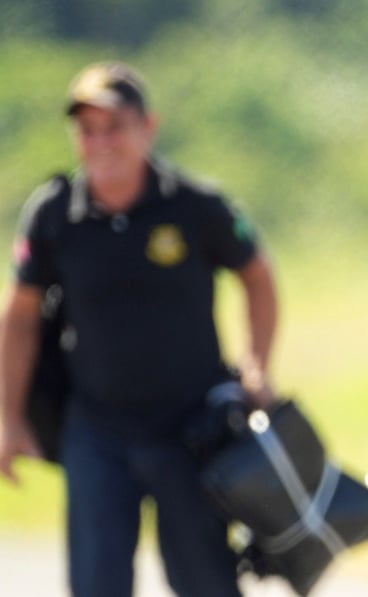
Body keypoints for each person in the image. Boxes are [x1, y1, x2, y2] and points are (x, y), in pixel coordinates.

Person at [0, 61, 279, 597]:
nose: (101, 142)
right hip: (96, 431)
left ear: (147, 127)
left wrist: (256, 367)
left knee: (206, 584)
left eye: (115, 127)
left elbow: (258, 277)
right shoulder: (54, 214)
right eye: (87, 129)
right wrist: (10, 418)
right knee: (97, 585)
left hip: (190, 429)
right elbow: (19, 315)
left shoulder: (196, 207)